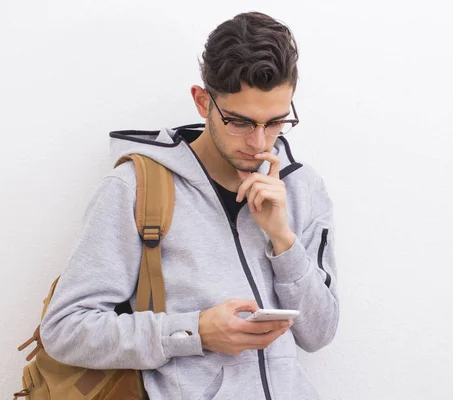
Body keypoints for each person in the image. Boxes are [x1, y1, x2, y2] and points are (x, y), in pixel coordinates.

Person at [39, 11, 339, 400]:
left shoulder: (302, 188)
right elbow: (65, 329)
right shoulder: (135, 187)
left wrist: (283, 239)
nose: (260, 142)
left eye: (276, 121)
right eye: (240, 122)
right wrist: (194, 332)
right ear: (202, 101)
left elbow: (319, 333)